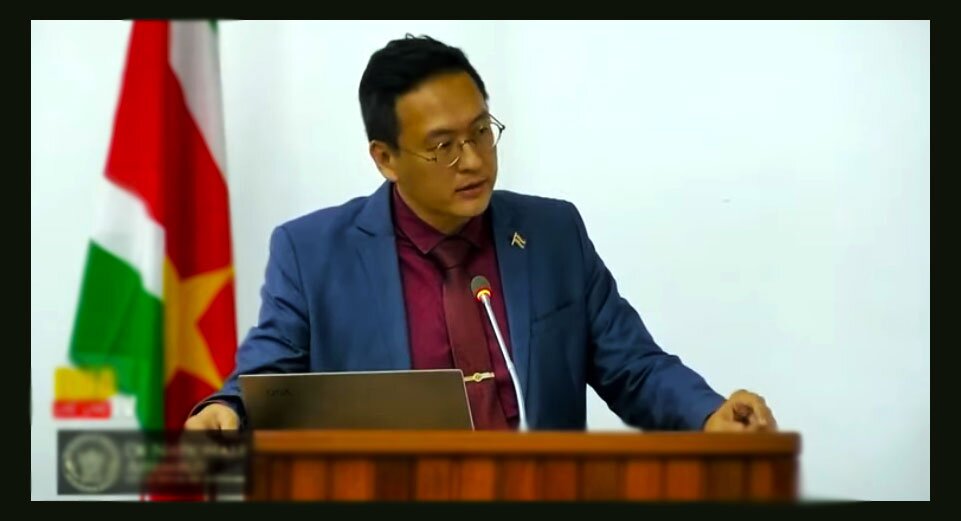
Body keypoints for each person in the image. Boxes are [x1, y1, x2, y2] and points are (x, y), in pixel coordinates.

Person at [185, 34, 777, 433]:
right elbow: (270, 379)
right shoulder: (314, 254)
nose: (472, 161)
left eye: (480, 132)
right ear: (385, 158)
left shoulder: (553, 234)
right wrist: (227, 409)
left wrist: (709, 414)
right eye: (443, 146)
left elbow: (633, 366)